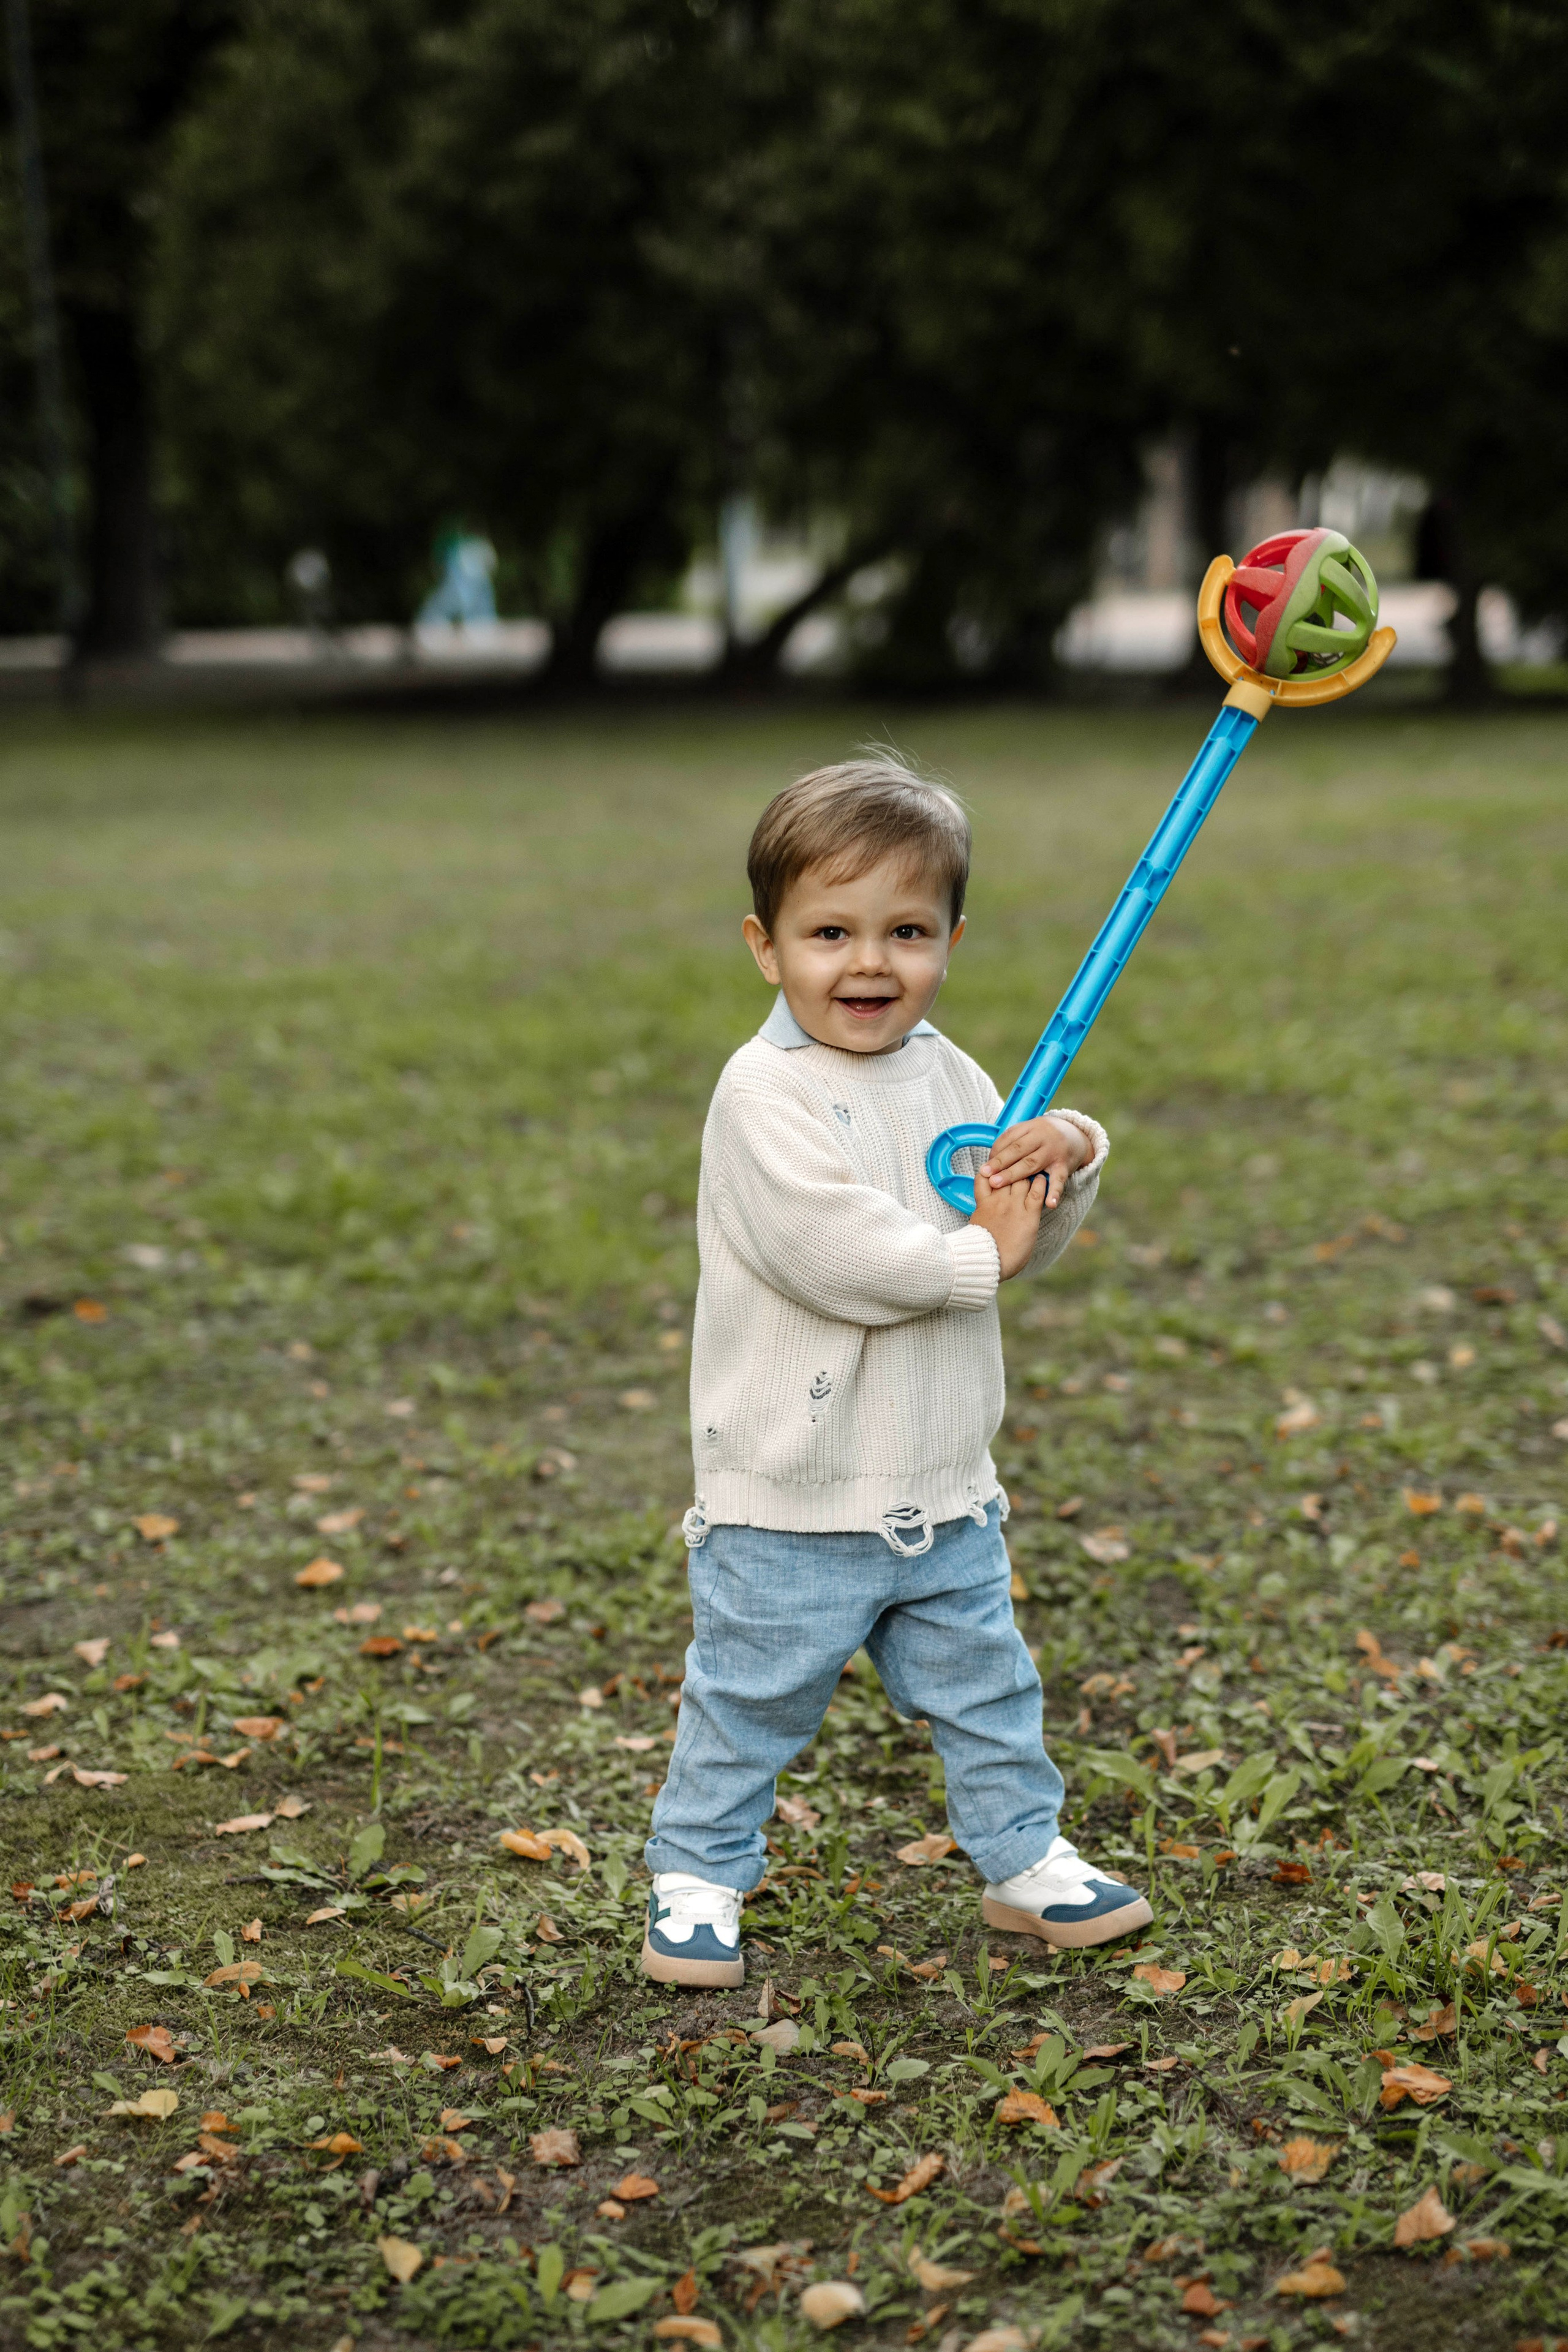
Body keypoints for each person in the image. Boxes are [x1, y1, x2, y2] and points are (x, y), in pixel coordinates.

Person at [641, 753, 1153, 1988]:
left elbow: (1010, 1225)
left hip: (940, 1482)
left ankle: (1021, 1858)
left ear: (949, 939)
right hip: (793, 1489)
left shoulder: (953, 1074)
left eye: (905, 931)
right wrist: (981, 1253)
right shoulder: (760, 1094)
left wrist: (1065, 1153)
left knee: (987, 1687)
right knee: (749, 1701)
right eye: (829, 931)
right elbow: (841, 1258)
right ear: (764, 947)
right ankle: (698, 1870)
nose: (868, 964)